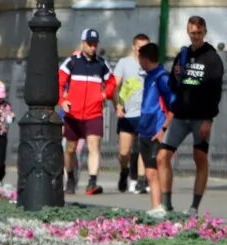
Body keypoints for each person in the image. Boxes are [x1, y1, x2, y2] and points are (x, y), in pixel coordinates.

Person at [158, 16, 224, 215]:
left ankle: (194, 206)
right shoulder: (183, 54)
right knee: (162, 156)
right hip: (180, 115)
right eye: (192, 33)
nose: (195, 36)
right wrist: (177, 74)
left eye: (198, 33)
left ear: (204, 32)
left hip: (200, 117)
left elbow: (215, 91)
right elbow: (172, 85)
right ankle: (166, 203)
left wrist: (208, 120)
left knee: (199, 158)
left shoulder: (212, 59)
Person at [58, 29, 116, 195]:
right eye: (89, 44)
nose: (92, 47)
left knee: (94, 146)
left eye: (95, 44)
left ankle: (92, 182)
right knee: (69, 149)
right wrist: (62, 101)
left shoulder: (101, 64)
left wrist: (104, 94)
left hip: (93, 113)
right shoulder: (72, 62)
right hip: (73, 114)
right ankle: (70, 178)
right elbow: (59, 81)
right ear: (82, 43)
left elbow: (111, 83)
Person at [136, 43, 177, 217]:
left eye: (140, 58)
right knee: (150, 172)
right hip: (145, 130)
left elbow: (174, 105)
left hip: (157, 131)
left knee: (159, 168)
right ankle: (155, 208)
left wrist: (164, 129)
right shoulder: (148, 77)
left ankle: (165, 205)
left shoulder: (162, 78)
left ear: (145, 58)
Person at [114, 34, 149, 194]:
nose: (143, 49)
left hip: (144, 112)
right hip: (127, 114)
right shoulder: (124, 63)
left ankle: (141, 180)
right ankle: (124, 171)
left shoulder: (150, 63)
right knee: (124, 152)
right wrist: (118, 105)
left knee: (143, 147)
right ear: (134, 47)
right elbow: (115, 86)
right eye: (140, 46)